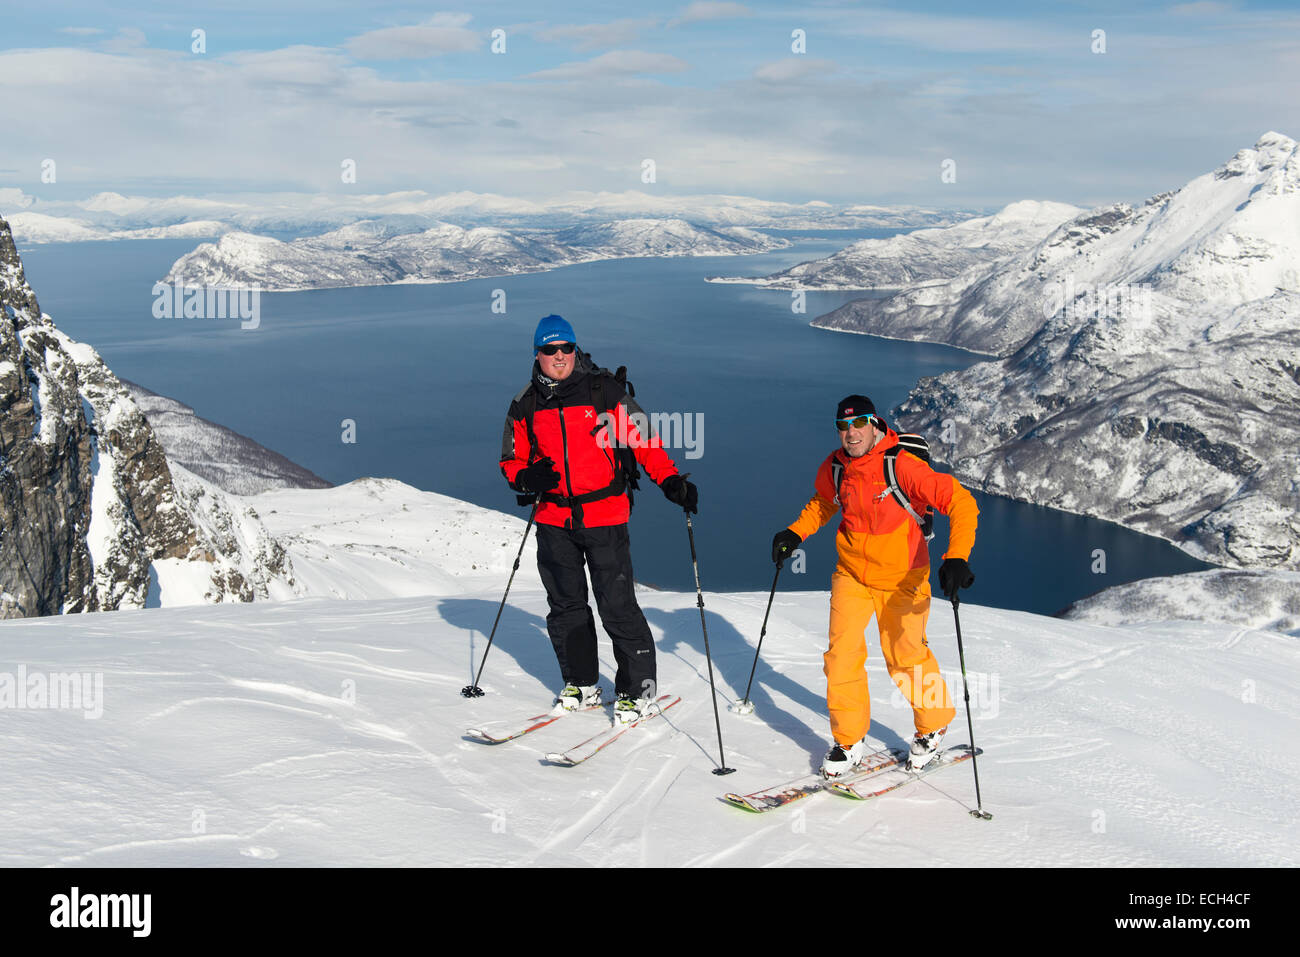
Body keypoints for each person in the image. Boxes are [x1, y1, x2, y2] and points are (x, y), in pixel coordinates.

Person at [499, 315, 698, 723]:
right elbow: (510, 460)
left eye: (565, 348)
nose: (558, 357)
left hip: (604, 515)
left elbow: (644, 441)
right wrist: (526, 476)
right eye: (550, 350)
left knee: (617, 605)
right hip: (553, 518)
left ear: (576, 350)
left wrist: (671, 480)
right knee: (566, 606)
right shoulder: (525, 404)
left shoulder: (604, 392)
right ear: (537, 353)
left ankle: (637, 691)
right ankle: (582, 683)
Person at [771, 395, 978, 776]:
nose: (851, 433)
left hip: (903, 577)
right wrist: (795, 532)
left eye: (859, 423)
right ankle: (848, 740)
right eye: (843, 426)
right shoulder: (836, 467)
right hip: (851, 574)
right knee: (841, 656)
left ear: (875, 423)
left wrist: (957, 556)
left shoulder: (902, 466)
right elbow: (824, 503)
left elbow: (961, 502)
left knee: (905, 658)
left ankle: (934, 725)